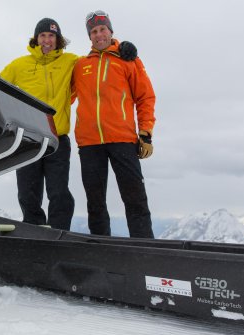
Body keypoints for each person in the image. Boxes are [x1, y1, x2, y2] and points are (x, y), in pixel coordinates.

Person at [72, 10, 156, 238]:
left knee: (135, 198)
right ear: (89, 37)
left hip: (123, 140)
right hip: (89, 143)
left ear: (110, 31)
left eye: (102, 29)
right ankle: (101, 248)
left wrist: (145, 133)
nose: (99, 35)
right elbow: (63, 97)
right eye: (94, 32)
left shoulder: (127, 60)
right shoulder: (80, 66)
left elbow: (145, 97)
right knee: (95, 202)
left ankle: (145, 250)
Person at [0, 18, 77, 230]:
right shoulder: (18, 65)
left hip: (57, 139)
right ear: (36, 39)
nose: (47, 40)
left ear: (58, 40)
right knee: (28, 193)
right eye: (42, 35)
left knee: (59, 192)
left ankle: (59, 234)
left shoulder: (71, 61)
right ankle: (34, 232)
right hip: (27, 139)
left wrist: (121, 50)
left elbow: (95, 66)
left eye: (51, 36)